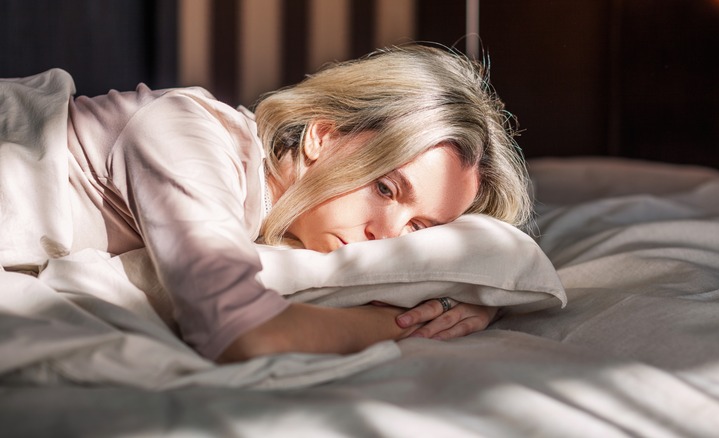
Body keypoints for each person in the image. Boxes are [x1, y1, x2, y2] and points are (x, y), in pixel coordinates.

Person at [0, 44, 532, 363]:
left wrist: (462, 295)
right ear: (322, 136)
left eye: (419, 228)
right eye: (385, 188)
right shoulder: (187, 134)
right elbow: (244, 335)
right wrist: (416, 321)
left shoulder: (270, 220)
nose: (387, 237)